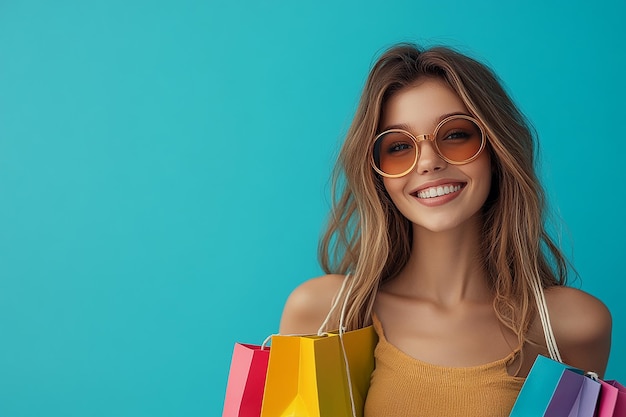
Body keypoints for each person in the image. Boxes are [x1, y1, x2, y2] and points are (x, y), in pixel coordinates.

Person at [278, 43, 612, 417]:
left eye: (454, 135)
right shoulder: (325, 312)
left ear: (495, 149)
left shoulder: (572, 326)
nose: (429, 162)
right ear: (378, 175)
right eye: (399, 146)